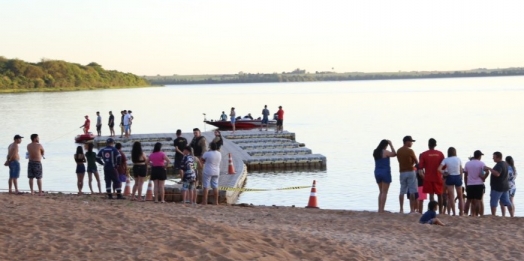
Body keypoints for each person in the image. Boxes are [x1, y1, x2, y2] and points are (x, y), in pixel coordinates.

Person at [418, 138, 445, 213]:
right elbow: (444, 166)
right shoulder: (440, 154)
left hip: (428, 177)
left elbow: (420, 167)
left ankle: (432, 211)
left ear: (428, 144)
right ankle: (441, 211)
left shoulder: (424, 154)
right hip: (438, 177)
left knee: (431, 195)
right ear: (435, 145)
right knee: (440, 195)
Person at [485, 151, 513, 217]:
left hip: (497, 187)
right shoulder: (505, 164)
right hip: (505, 186)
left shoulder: (499, 165)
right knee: (507, 201)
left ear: (498, 157)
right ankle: (512, 215)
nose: (493, 158)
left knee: (493, 202)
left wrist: (489, 168)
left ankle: (493, 215)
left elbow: (497, 174)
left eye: (494, 157)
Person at [438, 147, 464, 216]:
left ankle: (454, 213)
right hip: (457, 176)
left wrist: (444, 172)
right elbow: (461, 170)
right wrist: (461, 178)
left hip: (450, 177)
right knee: (460, 196)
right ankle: (461, 212)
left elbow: (439, 169)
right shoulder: (458, 159)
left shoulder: (446, 160)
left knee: (451, 197)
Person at [373, 139, 396, 213]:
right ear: (385, 145)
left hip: (377, 172)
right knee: (384, 192)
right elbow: (394, 154)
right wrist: (391, 144)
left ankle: (379, 208)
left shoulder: (375, 152)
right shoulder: (385, 152)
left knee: (381, 191)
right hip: (385, 172)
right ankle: (382, 209)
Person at [396, 136, 418, 213]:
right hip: (410, 171)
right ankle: (412, 209)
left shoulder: (398, 151)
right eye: (411, 142)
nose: (411, 143)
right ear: (407, 142)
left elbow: (399, 161)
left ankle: (401, 209)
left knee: (402, 190)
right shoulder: (410, 151)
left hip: (402, 172)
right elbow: (416, 161)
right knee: (412, 190)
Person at [464, 150, 488, 217]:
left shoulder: (468, 163)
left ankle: (465, 214)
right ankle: (476, 215)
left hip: (470, 184)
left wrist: (466, 184)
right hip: (479, 184)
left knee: (468, 200)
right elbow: (487, 171)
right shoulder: (481, 163)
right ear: (479, 156)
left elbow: (465, 176)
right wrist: (484, 178)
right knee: (478, 200)